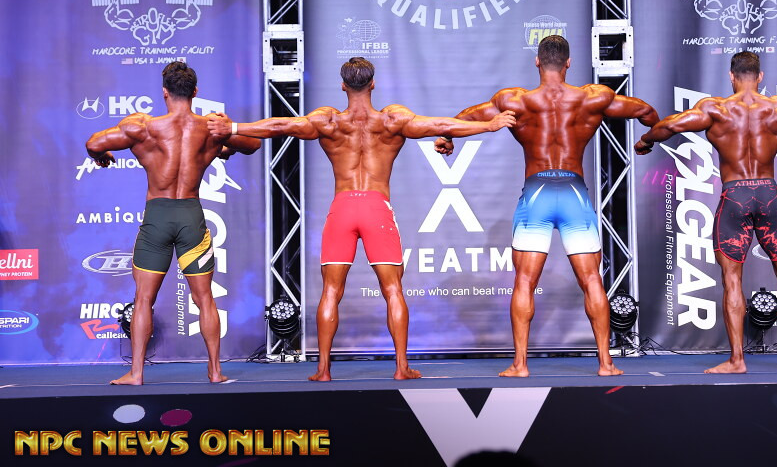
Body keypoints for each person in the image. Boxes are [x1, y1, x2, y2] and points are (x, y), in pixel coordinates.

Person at [208, 57, 515, 381]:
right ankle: (401, 367)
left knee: (331, 291)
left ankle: (323, 370)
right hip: (376, 208)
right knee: (393, 289)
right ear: (373, 84)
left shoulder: (327, 120)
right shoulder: (392, 119)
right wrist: (488, 125)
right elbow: (440, 124)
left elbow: (280, 126)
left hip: (342, 208)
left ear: (343, 85)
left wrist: (233, 128)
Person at [435, 35, 660, 377]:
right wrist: (648, 139)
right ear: (568, 63)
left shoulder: (515, 100)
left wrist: (446, 137)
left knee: (525, 281)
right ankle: (606, 363)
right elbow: (645, 111)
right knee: (592, 280)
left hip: (537, 194)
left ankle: (520, 365)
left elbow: (466, 117)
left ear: (537, 61)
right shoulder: (593, 98)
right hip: (573, 194)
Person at [635, 51, 777, 373]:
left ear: (731, 76)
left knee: (731, 280)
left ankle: (737, 360)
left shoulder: (714, 109)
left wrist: (646, 140)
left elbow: (670, 125)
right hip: (768, 194)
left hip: (735, 196)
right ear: (760, 76)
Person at [85, 61, 261, 385]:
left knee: (143, 299)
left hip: (158, 218)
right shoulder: (211, 128)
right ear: (195, 92)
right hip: (191, 216)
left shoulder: (143, 127)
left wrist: (102, 157)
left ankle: (137, 373)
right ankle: (215, 371)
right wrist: (227, 137)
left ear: (164, 92)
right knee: (205, 298)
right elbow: (254, 144)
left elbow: (94, 143)